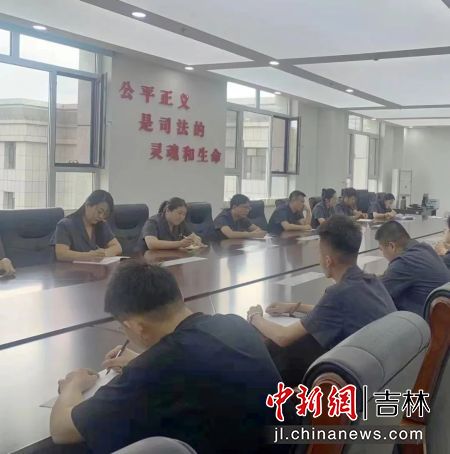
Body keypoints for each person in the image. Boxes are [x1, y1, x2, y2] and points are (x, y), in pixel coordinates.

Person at [50, 261, 285, 453]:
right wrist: (143, 360)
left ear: (137, 326)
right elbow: (192, 364)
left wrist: (73, 385)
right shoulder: (234, 323)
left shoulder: (155, 369)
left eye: (123, 328)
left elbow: (62, 430)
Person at [247, 215, 396, 385]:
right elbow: (337, 312)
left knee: (278, 349)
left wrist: (255, 317)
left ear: (328, 260)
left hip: (357, 382)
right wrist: (295, 307)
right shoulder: (371, 281)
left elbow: (283, 336)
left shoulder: (339, 293)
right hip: (386, 372)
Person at [375, 221, 450, 315]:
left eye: (381, 249)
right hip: (442, 314)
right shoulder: (425, 248)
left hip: (427, 319)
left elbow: (377, 293)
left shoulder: (404, 262)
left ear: (392, 246)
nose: (382, 254)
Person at [52, 190, 122, 262]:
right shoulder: (65, 224)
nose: (101, 216)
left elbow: (117, 247)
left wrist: (103, 253)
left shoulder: (101, 224)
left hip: (95, 268)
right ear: (88, 205)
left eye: (105, 214)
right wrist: (88, 256)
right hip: (71, 268)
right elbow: (61, 254)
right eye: (99, 212)